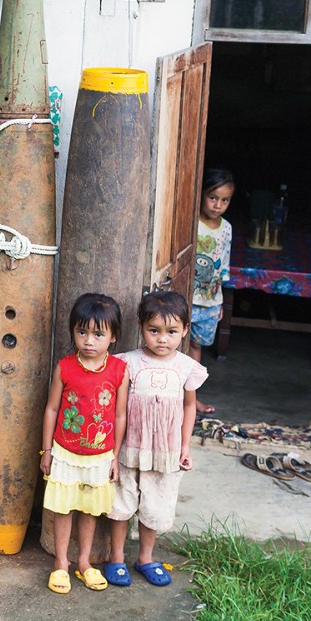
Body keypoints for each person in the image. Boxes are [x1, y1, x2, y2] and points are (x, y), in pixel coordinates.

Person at [104, 291, 207, 587]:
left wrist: (185, 445)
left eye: (172, 332)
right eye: (154, 331)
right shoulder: (127, 363)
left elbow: (189, 406)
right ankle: (116, 557)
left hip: (166, 451)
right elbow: (117, 408)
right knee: (121, 503)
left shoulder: (187, 367)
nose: (163, 339)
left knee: (156, 504)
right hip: (129, 448)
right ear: (141, 327)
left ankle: (146, 558)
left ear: (185, 330)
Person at [40, 293, 129, 594]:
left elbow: (119, 416)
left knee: (90, 510)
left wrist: (115, 457)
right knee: (63, 509)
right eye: (82, 332)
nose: (89, 340)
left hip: (100, 456)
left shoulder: (119, 371)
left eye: (98, 334)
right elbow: (52, 409)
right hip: (65, 453)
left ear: (113, 337)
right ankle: (61, 563)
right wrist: (48, 451)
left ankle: (84, 563)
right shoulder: (65, 367)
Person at [190, 168, 234, 413]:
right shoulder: (191, 222)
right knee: (174, 347)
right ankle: (175, 399)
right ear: (203, 194)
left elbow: (224, 265)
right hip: (186, 299)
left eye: (224, 200)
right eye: (213, 197)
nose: (218, 205)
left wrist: (221, 301)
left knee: (196, 347)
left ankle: (190, 398)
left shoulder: (226, 229)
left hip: (210, 301)